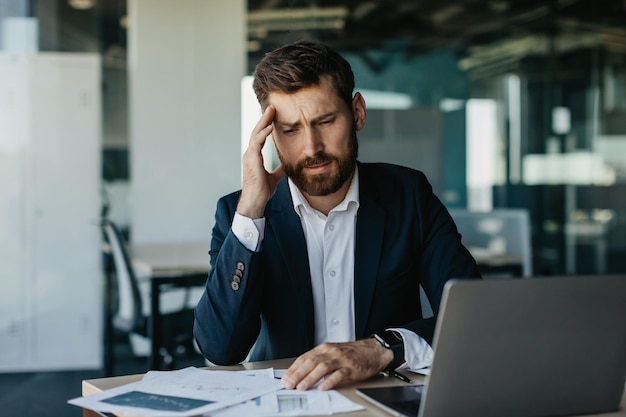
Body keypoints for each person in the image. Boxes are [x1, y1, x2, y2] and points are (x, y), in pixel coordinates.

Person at [194, 40, 480, 391]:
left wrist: (381, 348)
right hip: (285, 403)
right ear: (268, 135)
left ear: (357, 112)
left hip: (385, 398)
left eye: (325, 121)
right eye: (290, 130)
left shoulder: (408, 195)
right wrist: (252, 212)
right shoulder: (239, 214)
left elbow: (471, 316)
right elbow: (220, 348)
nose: (312, 147)